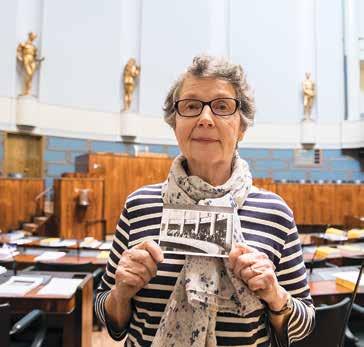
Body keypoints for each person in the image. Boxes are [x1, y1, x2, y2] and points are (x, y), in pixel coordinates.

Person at [95, 55, 315, 346]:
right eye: (191, 106)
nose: (205, 118)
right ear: (175, 124)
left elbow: (304, 324)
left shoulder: (275, 212)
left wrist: (276, 295)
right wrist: (120, 294)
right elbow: (110, 319)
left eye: (222, 107)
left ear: (242, 127)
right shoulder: (139, 206)